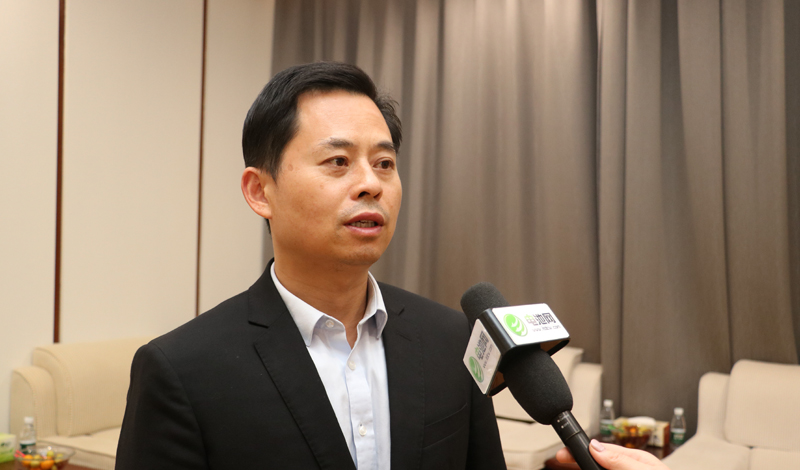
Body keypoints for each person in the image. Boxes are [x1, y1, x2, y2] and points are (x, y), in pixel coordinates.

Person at [116, 61, 667, 470]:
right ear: (260, 191)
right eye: (338, 161)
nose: (370, 183)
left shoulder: (453, 341)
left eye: (384, 163)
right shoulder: (181, 370)